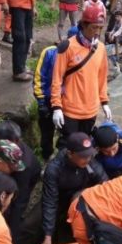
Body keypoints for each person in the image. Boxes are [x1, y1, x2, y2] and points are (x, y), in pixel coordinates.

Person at [51, 5, 111, 146]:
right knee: (68, 147)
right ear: (84, 25)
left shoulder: (100, 49)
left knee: (84, 147)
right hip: (70, 110)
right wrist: (56, 107)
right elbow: (57, 79)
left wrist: (104, 102)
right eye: (94, 27)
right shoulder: (67, 47)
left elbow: (101, 78)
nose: (97, 32)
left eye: (100, 28)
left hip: (91, 110)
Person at [41, 132, 108, 244]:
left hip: (82, 197)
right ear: (70, 153)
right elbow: (50, 202)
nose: (87, 159)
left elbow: (106, 185)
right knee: (32, 226)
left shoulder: (90, 162)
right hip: (59, 198)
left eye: (89, 155)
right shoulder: (54, 169)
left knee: (79, 206)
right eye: (83, 156)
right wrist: (48, 235)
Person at [0, 120, 42, 244]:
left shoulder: (24, 166)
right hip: (3, 168)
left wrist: (11, 236)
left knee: (13, 207)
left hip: (27, 177)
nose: (12, 148)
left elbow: (19, 202)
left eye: (15, 143)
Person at [33, 26, 79, 161]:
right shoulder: (49, 52)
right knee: (47, 133)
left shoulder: (80, 56)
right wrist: (41, 102)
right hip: (48, 100)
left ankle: (63, 159)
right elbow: (39, 77)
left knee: (67, 134)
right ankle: (46, 157)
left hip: (68, 102)